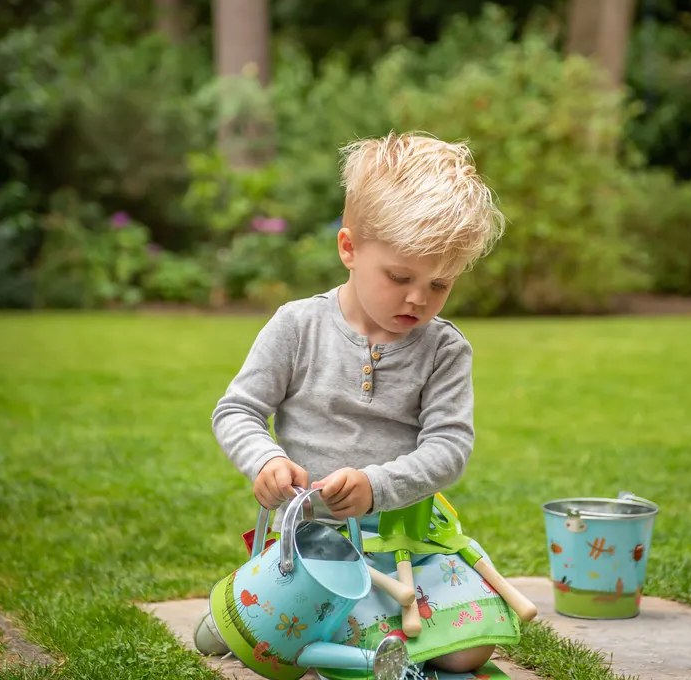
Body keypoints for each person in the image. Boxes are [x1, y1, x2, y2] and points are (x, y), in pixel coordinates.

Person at [206, 132, 518, 673]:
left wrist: (377, 487)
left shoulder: (444, 349)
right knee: (290, 628)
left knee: (470, 652)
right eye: (399, 277)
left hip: (404, 541)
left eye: (440, 284)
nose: (418, 298)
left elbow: (449, 449)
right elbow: (237, 410)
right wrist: (266, 461)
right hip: (313, 543)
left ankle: (346, 631)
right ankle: (251, 610)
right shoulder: (297, 326)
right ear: (349, 248)